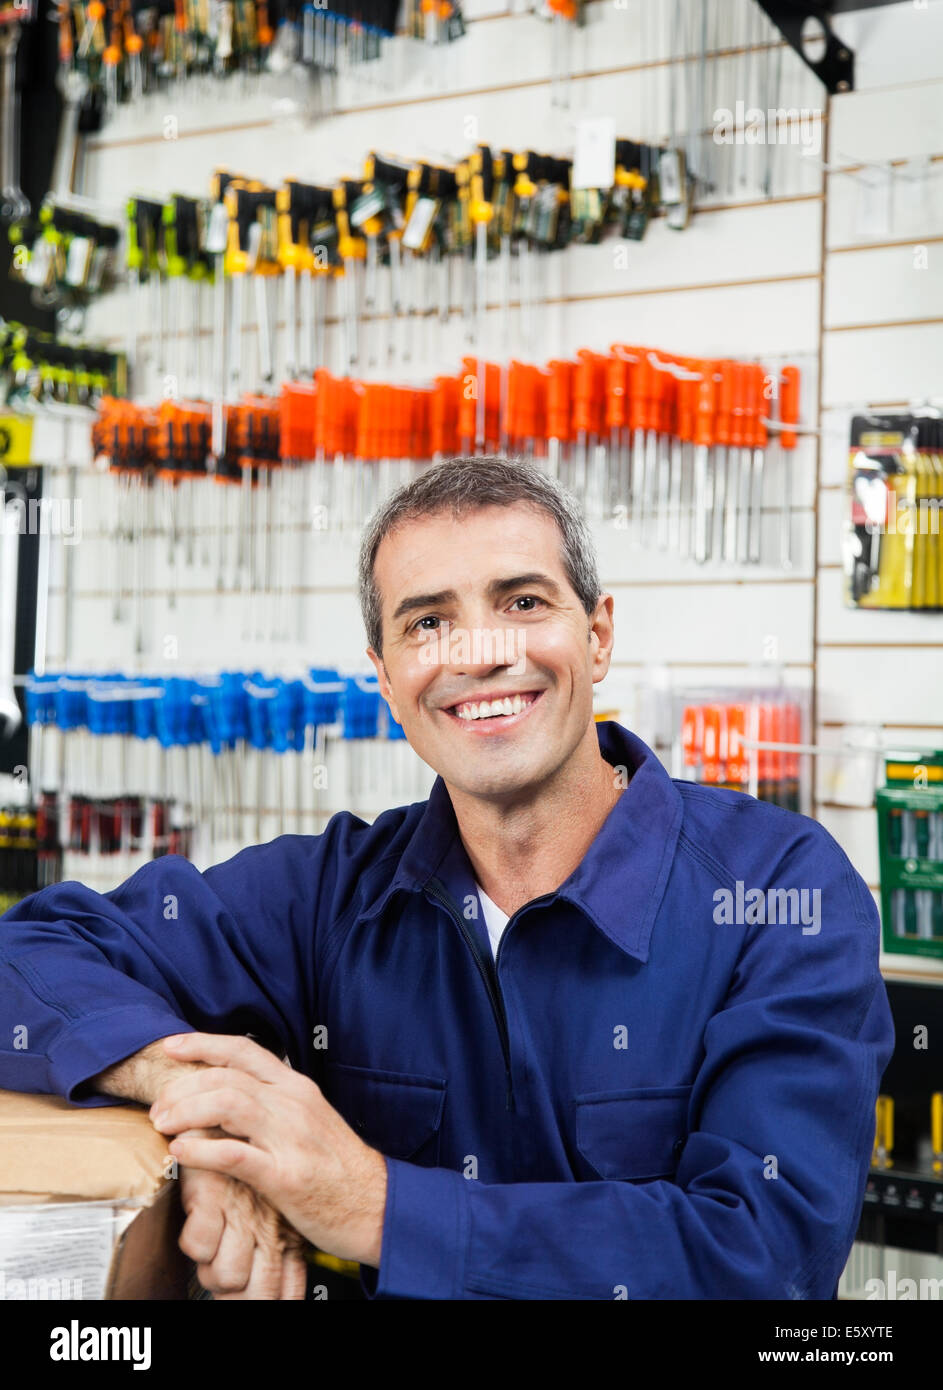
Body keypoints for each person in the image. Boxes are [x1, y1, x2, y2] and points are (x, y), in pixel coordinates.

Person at [0, 456, 894, 1300]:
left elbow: (761, 1262)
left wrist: (374, 1205)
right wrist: (195, 1102)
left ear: (598, 634)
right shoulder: (325, 896)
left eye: (521, 601)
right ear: (387, 683)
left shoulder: (779, 893)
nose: (477, 653)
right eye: (428, 622)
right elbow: (26, 958)